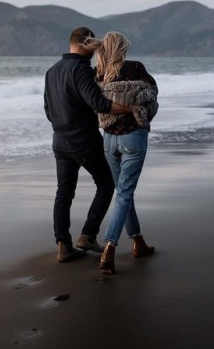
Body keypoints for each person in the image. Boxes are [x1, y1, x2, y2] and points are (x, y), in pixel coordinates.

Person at [44, 27, 132, 263]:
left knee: (64, 193)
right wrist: (131, 108)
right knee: (106, 184)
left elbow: (47, 110)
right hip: (84, 140)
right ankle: (87, 236)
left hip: (60, 141)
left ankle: (63, 245)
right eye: (94, 45)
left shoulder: (51, 71)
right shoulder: (81, 70)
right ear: (87, 43)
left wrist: (63, 125)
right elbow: (99, 103)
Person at [94, 31, 158, 274]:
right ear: (122, 49)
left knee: (123, 192)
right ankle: (110, 247)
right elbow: (151, 95)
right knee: (124, 193)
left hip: (109, 139)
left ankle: (138, 241)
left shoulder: (98, 73)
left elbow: (95, 104)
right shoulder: (136, 68)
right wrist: (139, 110)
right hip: (133, 138)